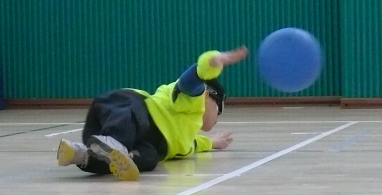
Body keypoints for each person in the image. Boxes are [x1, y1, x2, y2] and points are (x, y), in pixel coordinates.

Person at [56, 46, 249, 180]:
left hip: (128, 139)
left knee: (149, 158)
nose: (217, 118)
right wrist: (211, 63)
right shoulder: (193, 101)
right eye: (219, 110)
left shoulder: (187, 137)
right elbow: (190, 81)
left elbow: (195, 143)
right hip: (121, 109)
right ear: (209, 97)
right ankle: (113, 141)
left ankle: (83, 156)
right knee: (132, 114)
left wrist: (213, 143)